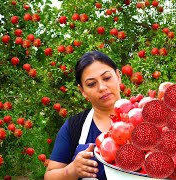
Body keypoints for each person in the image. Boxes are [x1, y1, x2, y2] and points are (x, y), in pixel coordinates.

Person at [44, 51, 122, 180]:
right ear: (82, 91)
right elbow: (49, 176)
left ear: (118, 76)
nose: (102, 87)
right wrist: (72, 170)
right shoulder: (74, 126)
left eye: (107, 78)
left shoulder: (145, 114)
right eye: (91, 84)